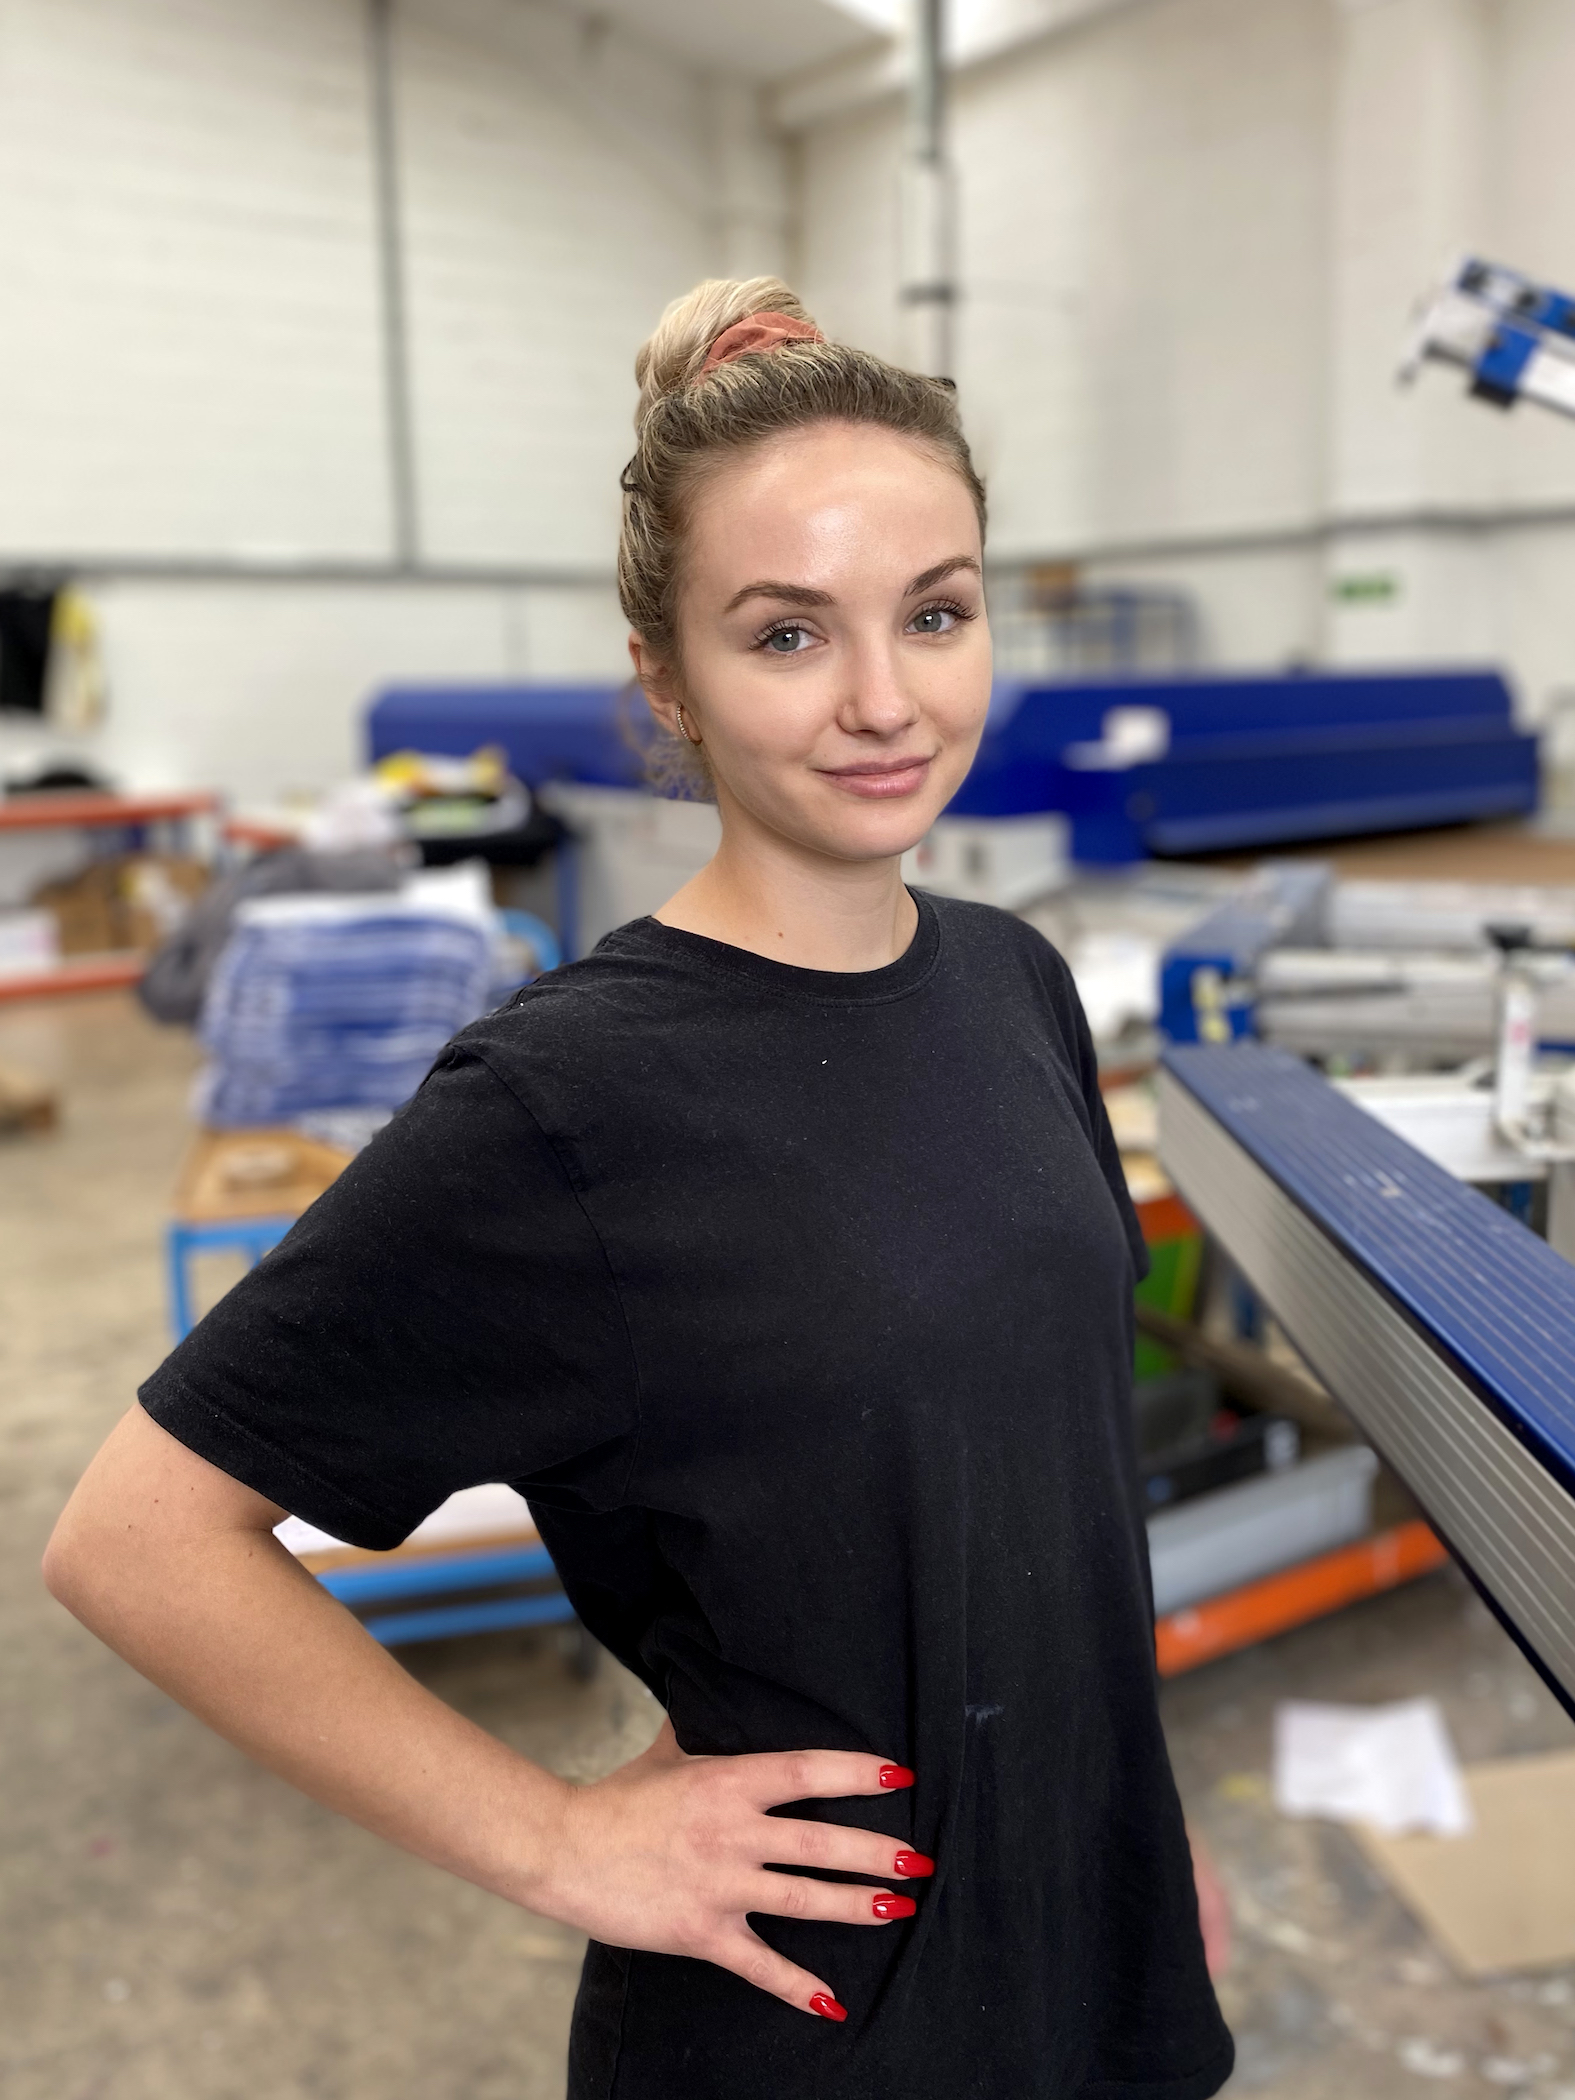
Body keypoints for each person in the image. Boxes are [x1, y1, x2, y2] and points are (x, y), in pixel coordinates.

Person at [45, 278, 1233, 2099]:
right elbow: (135, 1540)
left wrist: (1138, 1839)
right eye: (784, 636)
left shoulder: (1014, 982)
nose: (882, 700)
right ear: (666, 682)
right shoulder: (574, 1097)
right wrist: (556, 1839)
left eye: (936, 613)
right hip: (834, 2022)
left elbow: (1053, 1494)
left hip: (1095, 1956)